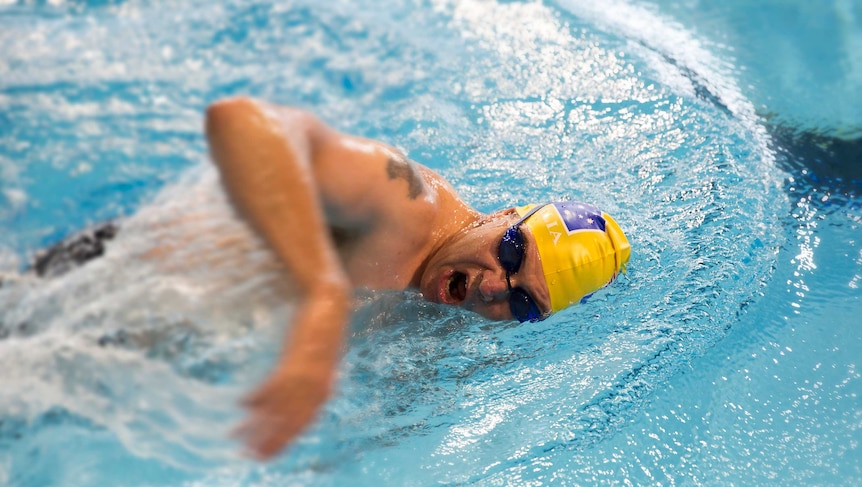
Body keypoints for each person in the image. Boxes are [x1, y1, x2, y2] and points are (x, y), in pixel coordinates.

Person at [204, 96, 631, 459]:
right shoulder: (401, 202)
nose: (494, 287)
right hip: (165, 294)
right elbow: (238, 119)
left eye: (523, 304)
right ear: (503, 214)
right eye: (512, 252)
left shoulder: (452, 334)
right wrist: (323, 292)